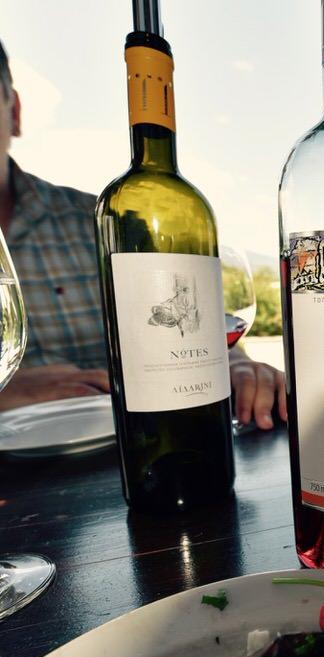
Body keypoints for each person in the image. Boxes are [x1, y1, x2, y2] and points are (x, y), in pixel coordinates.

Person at [0, 40, 285, 429]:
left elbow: (193, 321)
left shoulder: (106, 220)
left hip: (137, 453)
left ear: (14, 111)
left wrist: (234, 366)